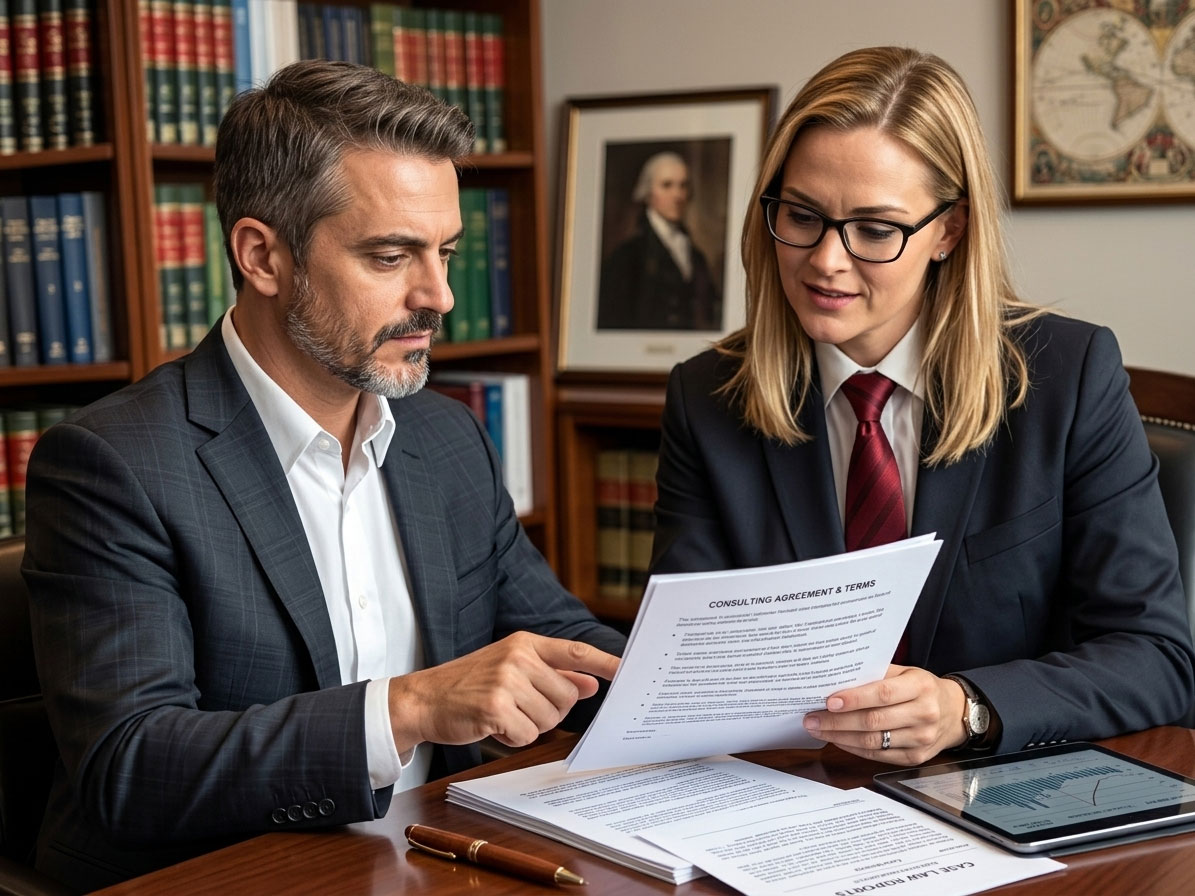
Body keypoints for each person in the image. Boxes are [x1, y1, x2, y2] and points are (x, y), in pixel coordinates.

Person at [22, 60, 625, 893]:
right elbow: (132, 764)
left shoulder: (444, 436)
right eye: (391, 256)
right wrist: (409, 707)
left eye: (445, 251)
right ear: (262, 256)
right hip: (218, 877)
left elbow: (564, 643)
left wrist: (779, 687)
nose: (440, 295)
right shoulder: (112, 463)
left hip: (436, 857)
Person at [650, 47, 1194, 766]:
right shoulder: (705, 397)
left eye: (875, 229)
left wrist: (964, 707)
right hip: (793, 794)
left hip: (1006, 793)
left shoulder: (1067, 377)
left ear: (948, 230)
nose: (825, 261)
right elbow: (689, 668)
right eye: (802, 215)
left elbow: (1155, 658)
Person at [597, 150, 722, 330]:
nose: (678, 195)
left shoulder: (696, 255)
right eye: (667, 185)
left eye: (683, 185)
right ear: (647, 192)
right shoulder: (627, 256)